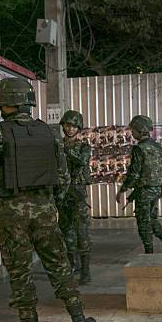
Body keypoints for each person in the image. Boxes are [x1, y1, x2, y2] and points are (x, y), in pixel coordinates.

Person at [0, 78, 96, 322]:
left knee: (20, 272)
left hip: (11, 212)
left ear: (3, 103)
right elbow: (63, 177)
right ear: (28, 101)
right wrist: (49, 201)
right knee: (59, 265)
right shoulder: (49, 133)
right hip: (45, 210)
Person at [115, 115, 162, 254]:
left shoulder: (139, 149)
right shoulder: (158, 147)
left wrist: (122, 190)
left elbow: (134, 173)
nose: (132, 133)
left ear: (139, 130)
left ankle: (149, 252)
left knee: (143, 222)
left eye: (133, 130)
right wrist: (161, 186)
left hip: (144, 191)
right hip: (156, 189)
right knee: (151, 219)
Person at [58, 110, 93, 284]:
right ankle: (72, 265)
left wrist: (64, 151)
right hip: (62, 195)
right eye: (67, 125)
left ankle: (85, 271)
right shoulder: (57, 145)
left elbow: (81, 161)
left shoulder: (84, 147)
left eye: (73, 126)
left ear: (78, 128)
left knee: (82, 232)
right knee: (66, 232)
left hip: (78, 195)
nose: (70, 129)